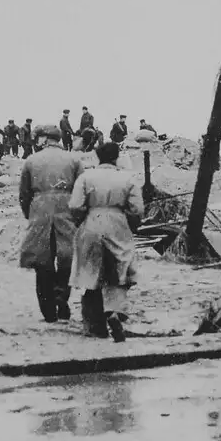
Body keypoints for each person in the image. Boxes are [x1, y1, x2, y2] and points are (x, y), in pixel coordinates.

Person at [69, 141, 144, 342]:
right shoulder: (128, 178)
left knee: (91, 273)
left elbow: (75, 206)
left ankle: (94, 326)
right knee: (119, 271)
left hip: (92, 223)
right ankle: (114, 312)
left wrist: (82, 220)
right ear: (116, 157)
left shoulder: (86, 177)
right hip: (118, 223)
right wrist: (130, 225)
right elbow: (137, 209)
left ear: (98, 157)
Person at [19, 124, 84, 322]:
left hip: (40, 210)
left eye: (38, 138)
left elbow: (24, 194)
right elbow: (82, 189)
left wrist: (30, 214)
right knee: (68, 257)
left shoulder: (31, 160)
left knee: (42, 261)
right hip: (67, 208)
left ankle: (48, 311)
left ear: (45, 139)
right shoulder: (74, 159)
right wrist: (78, 216)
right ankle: (61, 296)